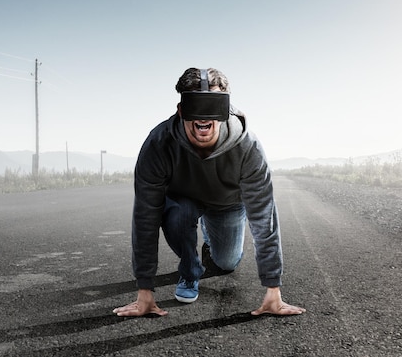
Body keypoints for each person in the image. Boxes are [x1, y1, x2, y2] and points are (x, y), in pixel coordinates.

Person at [113, 67, 305, 317]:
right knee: (180, 214)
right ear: (181, 110)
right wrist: (144, 291)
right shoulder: (158, 144)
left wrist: (273, 289)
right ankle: (190, 270)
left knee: (226, 263)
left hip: (227, 204)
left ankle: (209, 244)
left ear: (225, 109)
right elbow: (145, 216)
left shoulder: (248, 147)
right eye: (194, 105)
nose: (203, 117)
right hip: (183, 202)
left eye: (212, 105)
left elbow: (263, 217)